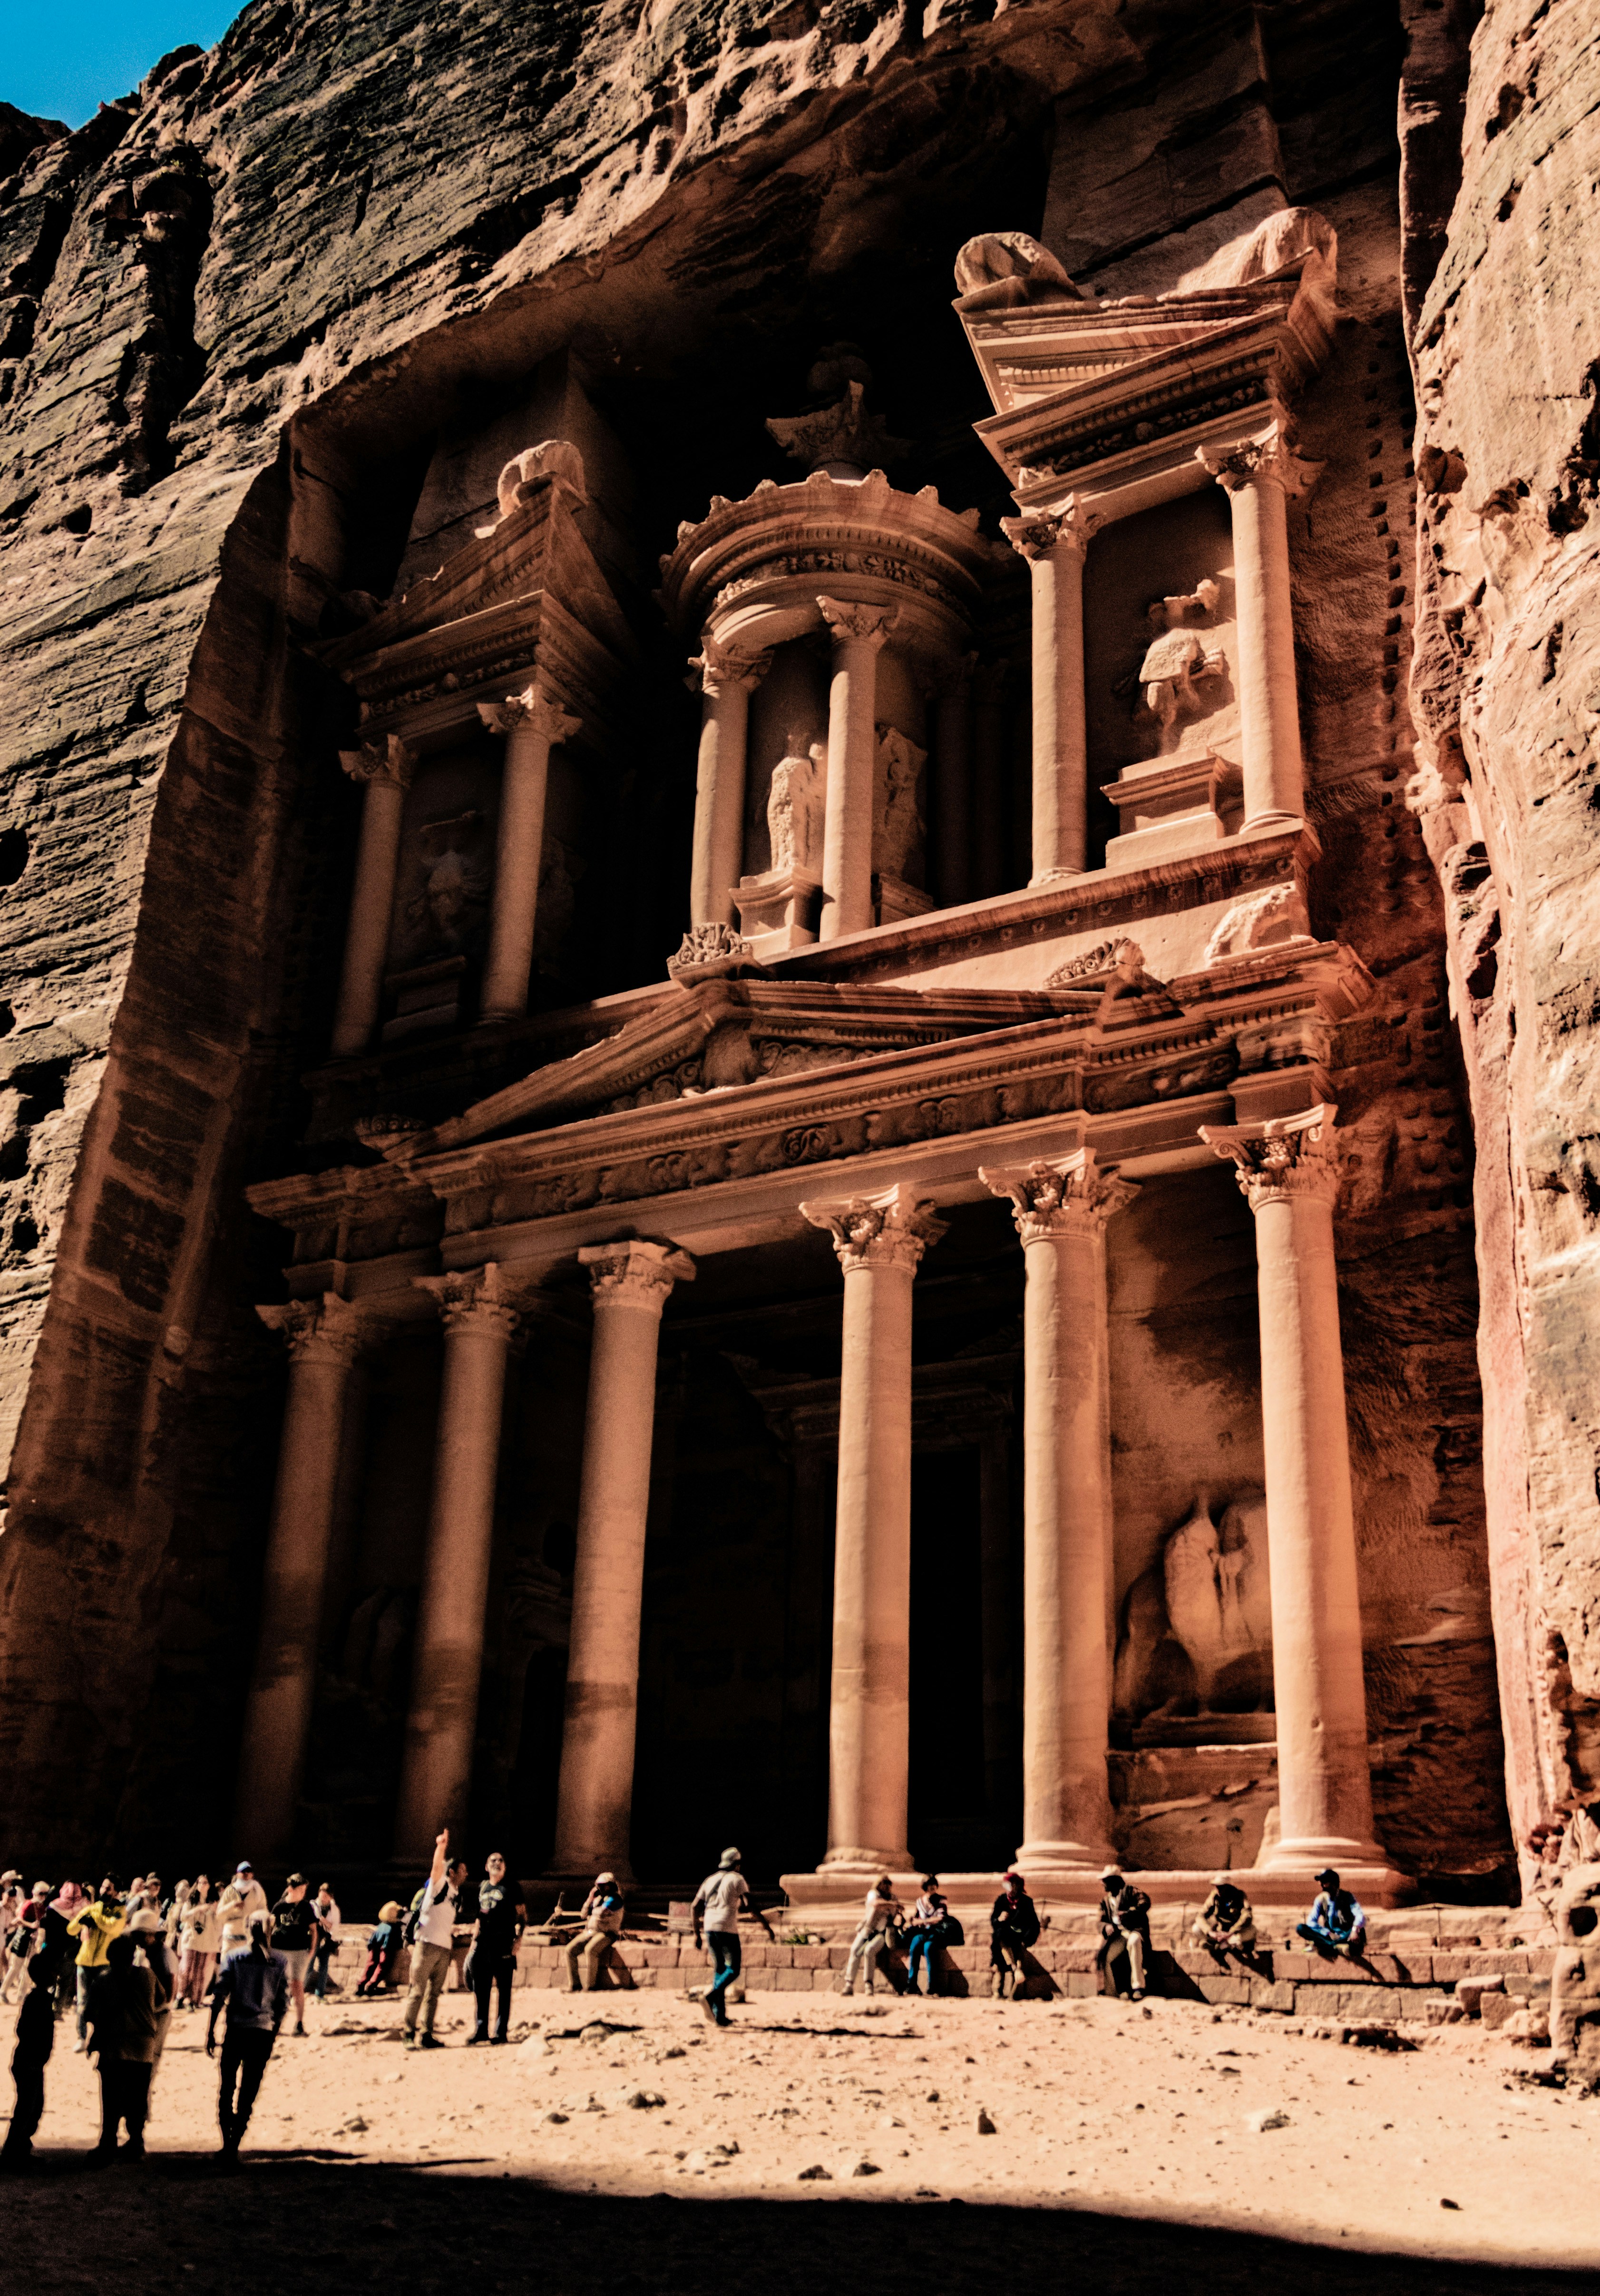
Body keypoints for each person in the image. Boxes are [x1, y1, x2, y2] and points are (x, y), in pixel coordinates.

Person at [85, 1915, 174, 2162]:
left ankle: (108, 2143)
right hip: (143, 2047)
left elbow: (91, 2015)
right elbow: (161, 2001)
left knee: (111, 2098)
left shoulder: (102, 1981)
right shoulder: (147, 1976)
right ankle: (136, 2142)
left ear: (110, 1958)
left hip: (114, 2048)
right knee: (137, 2097)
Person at [207, 1909, 288, 2160]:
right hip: (262, 2032)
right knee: (249, 2090)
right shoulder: (279, 1961)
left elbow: (219, 1996)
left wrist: (210, 2032)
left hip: (236, 2030)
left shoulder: (233, 1957)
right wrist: (274, 2032)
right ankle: (235, 2143)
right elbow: (281, 2004)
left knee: (227, 2088)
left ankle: (226, 2142)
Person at [690, 1847, 775, 2026]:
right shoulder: (738, 1879)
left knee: (719, 1969)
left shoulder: (710, 1880)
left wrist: (696, 1934)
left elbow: (694, 1907)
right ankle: (712, 1995)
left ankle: (719, 2016)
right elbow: (750, 1906)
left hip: (709, 1927)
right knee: (734, 1969)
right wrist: (767, 1926)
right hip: (727, 1927)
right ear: (737, 1865)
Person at [402, 1830, 468, 2049]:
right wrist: (441, 1847)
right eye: (463, 1870)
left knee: (433, 1996)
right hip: (427, 1945)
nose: (467, 1874)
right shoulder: (439, 1886)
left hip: (443, 1948)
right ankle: (409, 2034)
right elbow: (436, 1868)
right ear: (453, 1872)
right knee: (417, 1992)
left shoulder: (457, 1895)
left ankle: (427, 2034)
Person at [0, 1954, 56, 2171]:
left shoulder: (38, 1998)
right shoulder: (38, 2000)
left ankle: (19, 2150)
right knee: (28, 2109)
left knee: (32, 2107)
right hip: (30, 2062)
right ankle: (13, 2154)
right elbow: (25, 2030)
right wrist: (37, 2057)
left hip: (30, 2061)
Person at [468, 1852, 525, 2042]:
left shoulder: (513, 1887)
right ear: (486, 1867)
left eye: (501, 1861)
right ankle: (481, 2030)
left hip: (504, 1944)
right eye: (493, 1860)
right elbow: (479, 1917)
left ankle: (501, 2033)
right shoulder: (482, 1887)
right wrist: (472, 1946)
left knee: (504, 1991)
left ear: (506, 1867)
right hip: (483, 1945)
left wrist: (519, 1939)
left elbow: (522, 1916)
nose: (497, 1863)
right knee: (481, 1991)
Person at [67, 1875, 127, 2052]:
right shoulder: (93, 1908)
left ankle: (104, 2037)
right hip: (84, 1962)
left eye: (108, 1888)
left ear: (116, 1892)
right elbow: (71, 1930)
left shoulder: (120, 1911)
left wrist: (96, 1917)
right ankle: (82, 2037)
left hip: (105, 1964)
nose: (103, 1891)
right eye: (103, 1887)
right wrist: (82, 1921)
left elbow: (113, 1928)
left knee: (106, 2003)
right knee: (83, 2003)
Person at [269, 1874, 320, 2037]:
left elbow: (314, 1929)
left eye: (305, 1890)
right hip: (281, 1951)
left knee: (297, 1985)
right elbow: (270, 1929)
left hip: (299, 1951)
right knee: (279, 1986)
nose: (304, 1893)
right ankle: (275, 2022)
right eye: (301, 1889)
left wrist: (312, 1950)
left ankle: (299, 2023)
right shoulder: (279, 1907)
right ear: (292, 1889)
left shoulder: (306, 1907)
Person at [563, 1871, 626, 1995]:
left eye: (605, 1886)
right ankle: (575, 1985)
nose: (602, 1888)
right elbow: (583, 1915)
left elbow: (602, 1913)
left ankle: (591, 1986)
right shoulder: (598, 1899)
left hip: (607, 1933)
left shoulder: (615, 1899)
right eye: (600, 1886)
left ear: (611, 1886)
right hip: (591, 1932)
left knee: (590, 1950)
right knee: (570, 1950)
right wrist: (590, 1899)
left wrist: (594, 1908)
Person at [841, 1876, 904, 1998]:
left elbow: (897, 1913)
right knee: (855, 1950)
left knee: (870, 1951)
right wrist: (893, 1904)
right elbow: (876, 1904)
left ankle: (868, 1985)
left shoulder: (894, 1898)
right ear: (879, 1884)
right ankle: (849, 1984)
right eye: (884, 1883)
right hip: (867, 1930)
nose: (886, 1886)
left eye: (888, 1883)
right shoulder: (873, 1894)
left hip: (882, 1933)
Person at [1096, 1865, 1152, 2000]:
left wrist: (1128, 1914)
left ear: (1114, 1880)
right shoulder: (1105, 1901)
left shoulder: (1130, 1891)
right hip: (1117, 1936)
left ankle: (1138, 1987)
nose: (1103, 1884)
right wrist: (1106, 1927)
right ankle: (1114, 1990)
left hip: (1134, 1931)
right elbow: (1100, 1921)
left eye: (1106, 1880)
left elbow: (1145, 1902)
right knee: (1107, 1956)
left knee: (1134, 1942)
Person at [990, 1870, 1041, 1999]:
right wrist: (999, 1919)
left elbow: (1034, 1924)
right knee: (1000, 1962)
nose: (1009, 1889)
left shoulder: (1026, 1902)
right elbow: (994, 1921)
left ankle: (1014, 1994)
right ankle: (998, 1991)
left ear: (1017, 1886)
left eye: (1011, 1885)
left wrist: (1027, 1940)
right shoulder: (1001, 1900)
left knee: (1018, 1959)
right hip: (1003, 1938)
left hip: (1019, 1939)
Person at [1297, 1868, 1367, 1959]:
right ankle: (1334, 1946)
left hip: (1346, 1935)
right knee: (1301, 1928)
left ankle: (1326, 1946)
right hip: (1329, 1936)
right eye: (1321, 1883)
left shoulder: (1347, 1897)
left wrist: (1355, 1930)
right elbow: (1311, 1921)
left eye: (1325, 1883)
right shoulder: (1321, 1899)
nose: (1321, 1885)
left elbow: (1360, 1915)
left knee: (1361, 1931)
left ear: (1334, 1884)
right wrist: (1328, 1933)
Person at [0, 1883, 49, 2005]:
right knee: (15, 1967)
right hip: (22, 1937)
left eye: (45, 1894)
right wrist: (31, 1925)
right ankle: (3, 1991)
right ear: (35, 1893)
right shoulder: (28, 1905)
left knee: (28, 1968)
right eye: (41, 1894)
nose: (43, 1896)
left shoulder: (43, 1908)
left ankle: (21, 1996)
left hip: (34, 1939)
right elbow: (20, 1919)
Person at [905, 1876, 953, 1997]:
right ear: (925, 1887)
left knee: (929, 1948)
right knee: (915, 1945)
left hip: (936, 1933)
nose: (932, 1888)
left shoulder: (942, 1901)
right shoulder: (919, 1902)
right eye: (929, 1885)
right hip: (922, 1933)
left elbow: (941, 1918)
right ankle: (912, 1984)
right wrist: (911, 1920)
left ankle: (933, 1985)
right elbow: (916, 1917)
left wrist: (923, 1922)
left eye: (934, 1885)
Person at [1192, 1872, 1256, 1963]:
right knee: (1196, 1929)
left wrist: (1231, 1933)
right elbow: (1200, 1916)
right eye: (1217, 1887)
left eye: (1221, 1887)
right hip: (1220, 1933)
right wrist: (1210, 1932)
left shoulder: (1239, 1896)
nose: (1218, 1890)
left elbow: (1247, 1916)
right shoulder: (1215, 1897)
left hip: (1235, 1933)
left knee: (1251, 1931)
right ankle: (1222, 1945)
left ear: (1228, 1886)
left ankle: (1221, 1946)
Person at [177, 1879, 221, 2010]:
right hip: (191, 1940)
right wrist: (198, 1909)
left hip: (206, 1942)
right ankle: (180, 1997)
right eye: (200, 1883)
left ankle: (193, 2000)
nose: (203, 1885)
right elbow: (183, 1917)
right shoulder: (191, 1902)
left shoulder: (213, 1902)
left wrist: (215, 1911)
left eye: (206, 1883)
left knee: (200, 1974)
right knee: (186, 1969)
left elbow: (219, 1923)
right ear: (197, 1885)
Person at [216, 1862, 268, 1958]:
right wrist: (232, 1906)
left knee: (246, 1970)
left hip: (249, 1939)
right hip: (231, 1938)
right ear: (237, 1874)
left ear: (252, 1874)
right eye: (243, 1871)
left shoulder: (258, 1891)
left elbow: (264, 1912)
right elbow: (219, 1914)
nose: (246, 1874)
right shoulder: (230, 1890)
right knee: (227, 1968)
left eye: (249, 1871)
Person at [355, 1902, 405, 1995]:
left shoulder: (381, 1926)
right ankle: (371, 1985)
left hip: (375, 1946)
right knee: (382, 1966)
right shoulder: (392, 1928)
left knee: (370, 1964)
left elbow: (372, 1940)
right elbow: (392, 1943)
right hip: (385, 1948)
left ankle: (361, 1984)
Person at [308, 1883, 342, 1999]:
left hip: (326, 1941)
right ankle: (299, 1992)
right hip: (313, 1940)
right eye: (322, 1895)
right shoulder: (313, 1906)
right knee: (309, 1967)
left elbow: (336, 1927)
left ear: (331, 1897)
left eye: (326, 1896)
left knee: (324, 1967)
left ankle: (320, 1994)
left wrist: (326, 1923)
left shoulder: (334, 1909)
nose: (323, 1898)